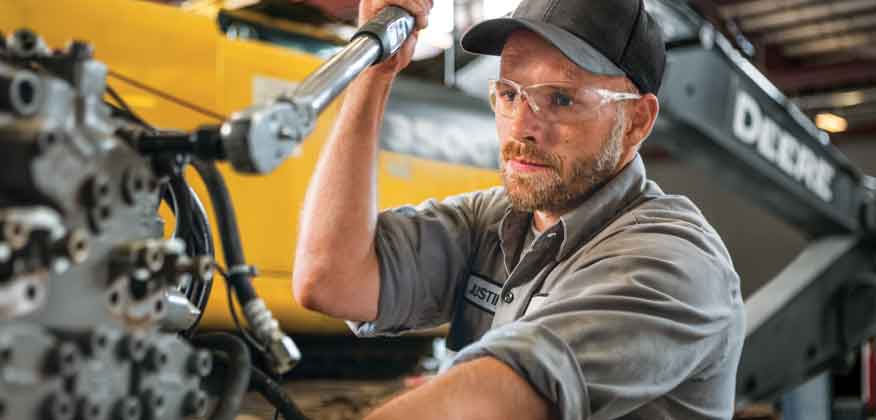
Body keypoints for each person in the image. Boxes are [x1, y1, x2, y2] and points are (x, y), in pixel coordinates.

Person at [293, 0, 745, 418]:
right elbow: (330, 279)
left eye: (561, 99)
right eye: (509, 94)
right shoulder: (495, 221)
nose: (522, 127)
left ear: (637, 122)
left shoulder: (674, 263)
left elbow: (496, 394)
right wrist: (377, 74)